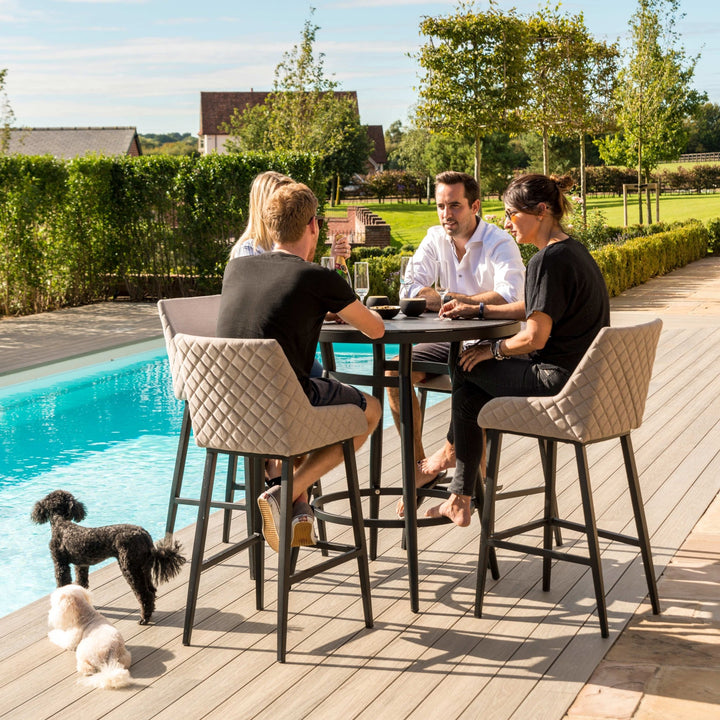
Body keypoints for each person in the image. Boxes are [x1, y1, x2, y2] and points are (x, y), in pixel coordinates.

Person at [423, 173, 610, 527]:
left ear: (540, 211)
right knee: (471, 386)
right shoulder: (572, 251)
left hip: (558, 383)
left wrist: (494, 350)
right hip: (585, 381)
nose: (507, 223)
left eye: (512, 214)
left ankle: (456, 476)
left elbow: (534, 338)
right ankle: (459, 497)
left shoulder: (547, 260)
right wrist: (479, 309)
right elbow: (534, 307)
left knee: (464, 365)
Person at [217, 182, 385, 551]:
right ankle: (290, 490)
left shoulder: (236, 269)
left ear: (270, 226)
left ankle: (290, 496)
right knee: (370, 410)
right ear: (313, 225)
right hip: (284, 409)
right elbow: (375, 329)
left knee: (311, 393)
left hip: (228, 412)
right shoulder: (315, 277)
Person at [390, 170, 525, 494]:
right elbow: (408, 287)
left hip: (495, 344)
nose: (446, 214)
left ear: (475, 206)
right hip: (451, 341)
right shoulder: (434, 238)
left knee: (466, 367)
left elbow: (511, 296)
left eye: (454, 206)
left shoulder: (499, 242)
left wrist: (460, 302)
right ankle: (421, 466)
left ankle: (470, 478)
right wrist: (448, 300)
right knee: (394, 372)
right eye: (441, 206)